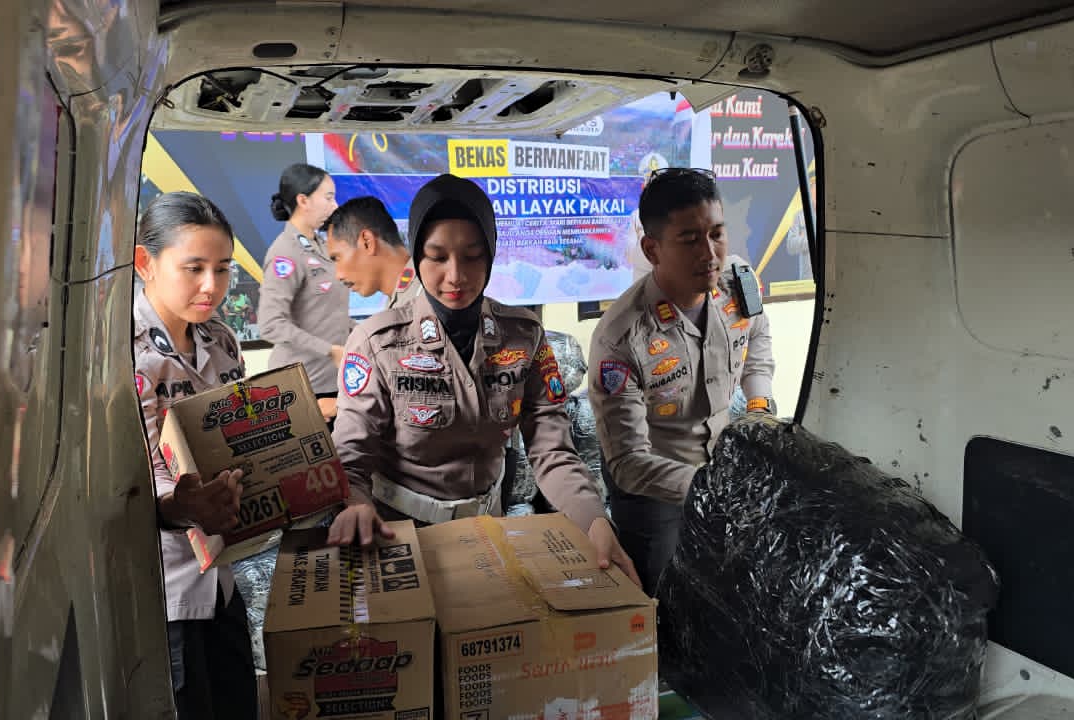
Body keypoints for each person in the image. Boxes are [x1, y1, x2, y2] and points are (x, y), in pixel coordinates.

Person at [326, 174, 640, 587]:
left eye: (473, 256)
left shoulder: (523, 336)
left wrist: (594, 521)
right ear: (417, 256)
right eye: (437, 257)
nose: (456, 275)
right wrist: (354, 503)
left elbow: (551, 449)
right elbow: (351, 454)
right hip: (399, 536)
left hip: (489, 530)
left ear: (490, 255)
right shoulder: (377, 342)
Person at [587, 167, 776, 596]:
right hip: (655, 499)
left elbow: (758, 334)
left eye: (717, 234)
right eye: (690, 240)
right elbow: (628, 463)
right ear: (652, 249)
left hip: (726, 470)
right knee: (662, 601)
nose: (709, 254)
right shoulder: (620, 338)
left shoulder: (737, 280)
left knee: (726, 592)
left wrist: (759, 404)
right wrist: (711, 487)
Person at [132, 192, 256, 720]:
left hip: (221, 574)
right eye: (194, 268)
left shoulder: (221, 340)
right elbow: (140, 477)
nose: (212, 286)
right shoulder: (124, 351)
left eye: (223, 269)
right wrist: (183, 505)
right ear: (145, 262)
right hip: (167, 589)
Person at [256, 163, 349, 426]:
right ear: (303, 201)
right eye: (328, 198)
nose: (335, 205)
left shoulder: (321, 245)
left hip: (332, 382)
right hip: (304, 387)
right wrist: (329, 350)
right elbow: (271, 324)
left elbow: (327, 314)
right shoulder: (285, 253)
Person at [325, 195, 424, 311]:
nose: (338, 275)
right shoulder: (405, 298)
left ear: (367, 242)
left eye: (337, 258)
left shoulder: (426, 295)